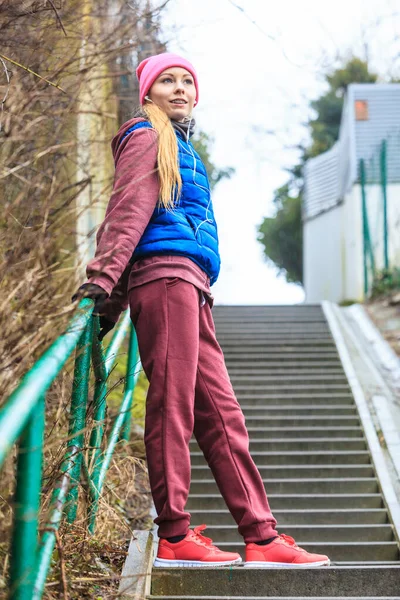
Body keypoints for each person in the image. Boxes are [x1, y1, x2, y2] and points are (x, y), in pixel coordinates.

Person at [73, 52, 330, 569]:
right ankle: (173, 534)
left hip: (190, 287)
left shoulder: (184, 150)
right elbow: (126, 215)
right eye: (166, 80)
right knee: (173, 404)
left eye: (187, 81)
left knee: (223, 414)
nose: (179, 88)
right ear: (147, 93)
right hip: (164, 279)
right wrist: (101, 287)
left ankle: (261, 536)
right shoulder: (147, 137)